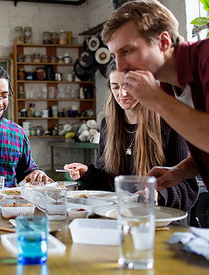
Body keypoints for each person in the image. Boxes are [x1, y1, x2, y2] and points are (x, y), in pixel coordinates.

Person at [101, 0, 209, 191]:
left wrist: (157, 99)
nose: (120, 67)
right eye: (114, 56)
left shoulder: (206, 58)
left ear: (163, 42)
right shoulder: (169, 86)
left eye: (127, 51)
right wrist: (181, 170)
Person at [64, 64, 198, 211]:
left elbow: (188, 188)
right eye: (115, 87)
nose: (122, 93)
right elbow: (107, 182)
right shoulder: (108, 125)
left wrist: (158, 194)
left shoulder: (169, 123)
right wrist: (87, 173)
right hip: (117, 216)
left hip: (159, 219)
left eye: (128, 86)